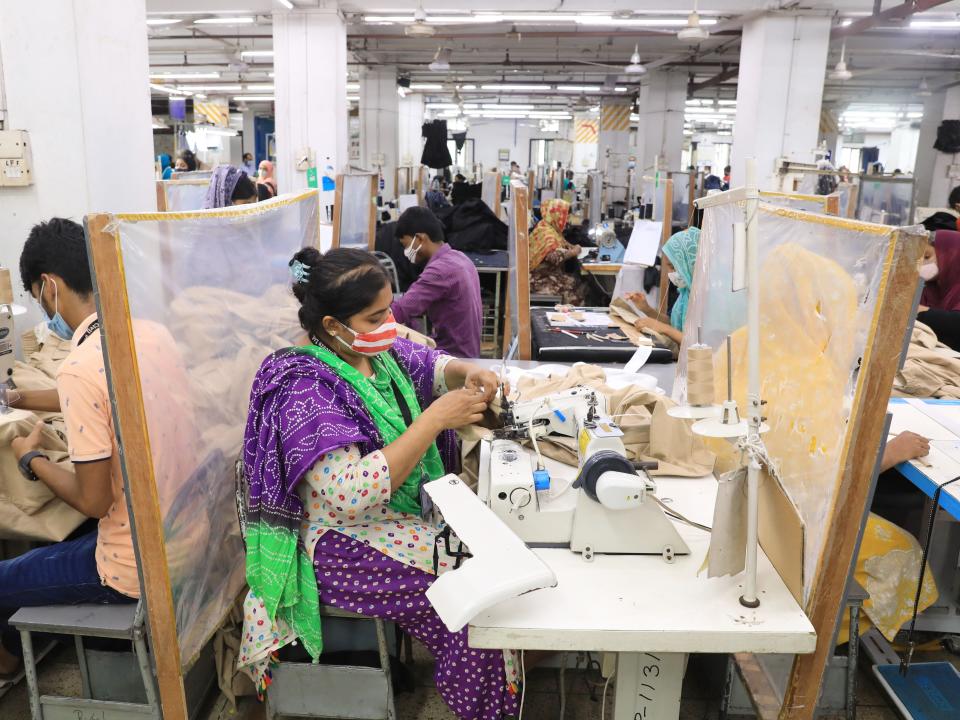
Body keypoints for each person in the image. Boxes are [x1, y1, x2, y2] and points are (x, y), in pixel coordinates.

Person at [238, 247, 519, 718]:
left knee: (484, 564)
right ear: (332, 325)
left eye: (389, 309)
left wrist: (467, 371)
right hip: (335, 543)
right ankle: (487, 705)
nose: (390, 323)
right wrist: (433, 421)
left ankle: (492, 686)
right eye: (376, 317)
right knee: (471, 599)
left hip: (386, 522)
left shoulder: (376, 354)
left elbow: (429, 363)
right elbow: (348, 495)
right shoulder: (304, 387)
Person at [0, 219, 141, 678]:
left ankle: (12, 669)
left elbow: (95, 500)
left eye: (34, 295)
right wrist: (18, 398)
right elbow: (103, 392)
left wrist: (30, 457)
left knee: (7, 577)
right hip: (179, 538)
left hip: (129, 567)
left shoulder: (80, 366)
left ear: (49, 286)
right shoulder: (142, 335)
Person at [391, 207, 483, 358]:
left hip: (452, 356)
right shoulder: (460, 258)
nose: (405, 251)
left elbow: (401, 310)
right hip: (468, 352)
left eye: (405, 245)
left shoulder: (440, 271)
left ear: (420, 239)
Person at [626, 227, 700, 345]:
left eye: (673, 266)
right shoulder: (686, 293)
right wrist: (646, 309)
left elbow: (700, 344)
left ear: (690, 263)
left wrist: (665, 329)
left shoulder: (709, 298)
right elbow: (674, 324)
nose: (670, 273)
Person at [529, 198, 588, 306]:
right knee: (574, 290)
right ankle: (569, 319)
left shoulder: (546, 226)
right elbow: (553, 257)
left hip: (546, 275)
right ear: (556, 215)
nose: (566, 220)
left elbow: (562, 243)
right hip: (539, 280)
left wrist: (570, 247)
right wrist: (573, 252)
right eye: (564, 216)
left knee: (578, 282)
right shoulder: (547, 234)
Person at [919, 230, 960, 312]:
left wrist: (920, 311)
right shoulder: (927, 289)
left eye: (927, 257)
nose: (920, 263)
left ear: (950, 256)